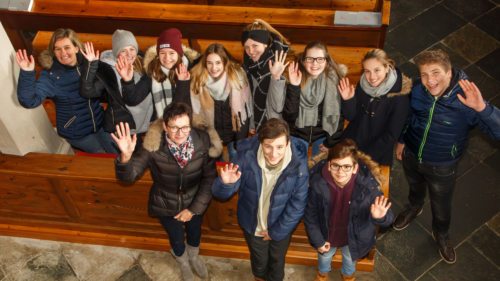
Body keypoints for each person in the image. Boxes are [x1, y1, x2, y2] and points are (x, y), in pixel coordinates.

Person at [393, 49, 500, 264]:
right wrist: (403, 140)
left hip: (442, 165)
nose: (430, 81)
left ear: (449, 72)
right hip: (412, 154)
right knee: (414, 187)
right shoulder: (417, 88)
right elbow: (408, 116)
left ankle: (441, 233)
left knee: (441, 203)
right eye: (424, 74)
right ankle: (414, 206)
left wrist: (482, 108)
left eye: (436, 73)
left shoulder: (466, 100)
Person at [113, 102, 216, 281]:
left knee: (194, 232)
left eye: (184, 127)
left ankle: (193, 256)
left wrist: (193, 209)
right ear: (164, 126)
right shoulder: (152, 145)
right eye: (173, 127)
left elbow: (209, 178)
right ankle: (183, 261)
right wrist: (126, 158)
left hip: (195, 199)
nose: (179, 133)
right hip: (165, 202)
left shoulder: (202, 140)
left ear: (190, 124)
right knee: (176, 238)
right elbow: (128, 177)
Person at [212, 118, 309, 281]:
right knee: (259, 261)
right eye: (268, 146)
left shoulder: (299, 167)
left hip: (281, 227)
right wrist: (225, 184)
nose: (273, 153)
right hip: (253, 226)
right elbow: (220, 194)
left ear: (287, 143)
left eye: (279, 147)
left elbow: (297, 205)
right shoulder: (244, 157)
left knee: (277, 261)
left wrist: (276, 231)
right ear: (260, 142)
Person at [304, 139, 393, 281]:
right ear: (329, 165)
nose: (340, 172)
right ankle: (322, 273)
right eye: (336, 166)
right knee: (325, 256)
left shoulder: (368, 187)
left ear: (355, 168)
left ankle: (348, 276)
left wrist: (379, 217)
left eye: (346, 166)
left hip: (354, 236)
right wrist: (318, 241)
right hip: (327, 234)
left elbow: (388, 217)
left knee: (350, 258)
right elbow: (310, 216)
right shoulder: (317, 184)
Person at [15, 28, 115, 153]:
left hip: (100, 122)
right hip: (77, 132)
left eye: (67, 47)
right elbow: (29, 101)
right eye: (58, 49)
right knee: (102, 156)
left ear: (76, 48)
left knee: (115, 151)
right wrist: (27, 72)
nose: (63, 53)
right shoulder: (51, 75)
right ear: (53, 52)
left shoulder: (88, 62)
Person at [338, 49, 411, 166]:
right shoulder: (363, 85)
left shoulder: (399, 98)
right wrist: (348, 100)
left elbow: (390, 136)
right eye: (367, 71)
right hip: (350, 144)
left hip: (375, 154)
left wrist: (363, 157)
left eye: (377, 70)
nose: (371, 77)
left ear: (387, 67)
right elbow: (351, 117)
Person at [80, 30, 154, 141]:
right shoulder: (109, 72)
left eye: (132, 49)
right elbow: (87, 92)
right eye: (123, 51)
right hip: (125, 129)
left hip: (146, 124)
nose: (129, 54)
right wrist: (91, 66)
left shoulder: (144, 65)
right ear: (116, 53)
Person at [116, 28, 199, 119]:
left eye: (171, 53)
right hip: (161, 125)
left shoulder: (192, 70)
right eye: (162, 53)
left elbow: (182, 110)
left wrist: (183, 83)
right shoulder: (153, 71)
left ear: (179, 54)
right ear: (158, 55)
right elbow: (132, 100)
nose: (167, 58)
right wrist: (128, 81)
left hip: (188, 125)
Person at [283, 41, 347, 157]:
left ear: (326, 61)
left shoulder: (334, 81)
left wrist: (331, 142)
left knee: (318, 169)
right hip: (297, 134)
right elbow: (289, 115)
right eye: (310, 59)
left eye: (320, 59)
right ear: (303, 60)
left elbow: (338, 116)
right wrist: (294, 86)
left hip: (322, 136)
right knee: (297, 170)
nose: (314, 63)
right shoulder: (295, 77)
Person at [190, 43, 253, 160]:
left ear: (225, 62)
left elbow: (246, 109)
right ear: (205, 63)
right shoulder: (197, 81)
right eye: (210, 63)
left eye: (218, 63)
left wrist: (240, 143)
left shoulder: (238, 77)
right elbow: (196, 115)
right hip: (211, 139)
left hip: (235, 138)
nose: (214, 68)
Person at [241, 19, 290, 132]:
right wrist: (252, 123)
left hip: (278, 130)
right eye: (247, 47)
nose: (251, 51)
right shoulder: (248, 67)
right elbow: (250, 99)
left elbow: (277, 107)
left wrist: (275, 78)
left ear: (266, 44)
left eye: (255, 46)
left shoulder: (283, 65)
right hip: (260, 130)